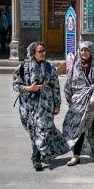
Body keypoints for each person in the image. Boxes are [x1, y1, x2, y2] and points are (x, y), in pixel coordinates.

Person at [12, 42, 70, 171]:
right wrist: (29, 88)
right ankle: (41, 153)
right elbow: (15, 85)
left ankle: (36, 157)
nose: (43, 53)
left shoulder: (49, 67)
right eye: (40, 51)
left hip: (45, 104)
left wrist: (57, 104)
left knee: (42, 128)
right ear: (33, 53)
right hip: (27, 106)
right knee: (33, 131)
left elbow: (55, 86)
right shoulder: (22, 67)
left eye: (44, 51)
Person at [62, 41, 94, 166]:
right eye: (82, 50)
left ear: (91, 51)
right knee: (78, 128)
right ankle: (76, 155)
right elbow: (68, 84)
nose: (83, 53)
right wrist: (71, 99)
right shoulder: (75, 65)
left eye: (86, 50)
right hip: (79, 101)